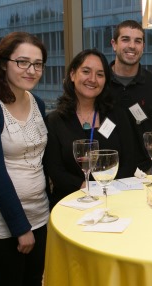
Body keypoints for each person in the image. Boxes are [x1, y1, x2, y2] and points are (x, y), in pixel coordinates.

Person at [0, 32, 49, 285]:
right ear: (4, 63)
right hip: (5, 224)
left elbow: (40, 160)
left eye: (37, 64)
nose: (31, 70)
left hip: (40, 214)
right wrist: (20, 228)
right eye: (22, 62)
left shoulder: (37, 102)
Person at [44, 49, 132, 207]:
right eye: (86, 71)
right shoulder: (55, 120)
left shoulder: (117, 115)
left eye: (100, 74)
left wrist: (107, 190)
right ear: (72, 75)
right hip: (71, 203)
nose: (92, 79)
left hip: (113, 200)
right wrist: (88, 188)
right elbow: (55, 171)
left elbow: (129, 160)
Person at [108, 20, 152, 175]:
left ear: (143, 47)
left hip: (142, 174)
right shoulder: (99, 83)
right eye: (125, 39)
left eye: (138, 41)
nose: (132, 46)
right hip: (104, 171)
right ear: (114, 44)